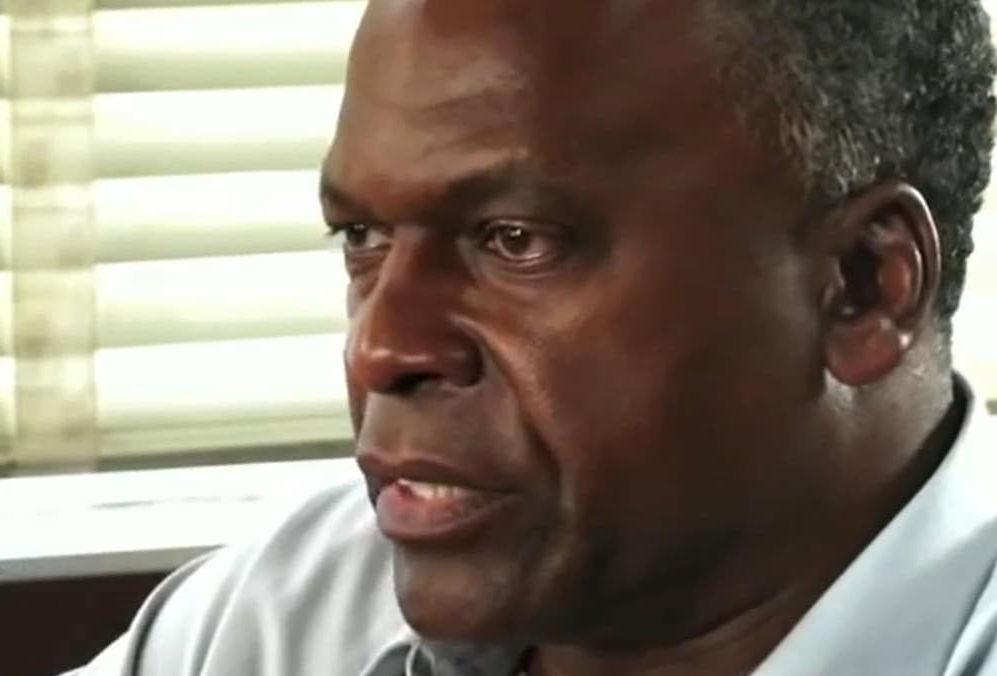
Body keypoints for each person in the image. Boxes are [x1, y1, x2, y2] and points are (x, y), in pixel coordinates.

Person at [68, 1, 997, 674]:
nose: (379, 349)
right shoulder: (277, 622)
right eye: (362, 238)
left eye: (515, 240)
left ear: (863, 287)